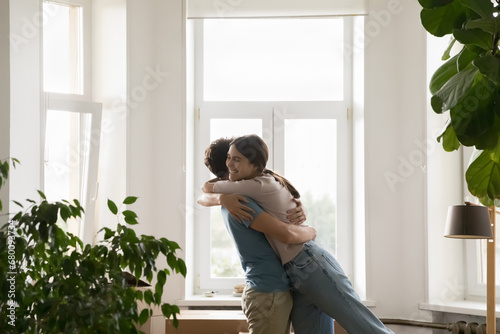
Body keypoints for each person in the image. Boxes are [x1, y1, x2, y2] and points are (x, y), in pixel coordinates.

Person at [201, 134, 394, 334]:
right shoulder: (242, 194)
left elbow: (287, 230)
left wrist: (309, 229)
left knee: (363, 325)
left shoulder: (252, 189)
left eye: (237, 158)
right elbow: (205, 193)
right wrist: (222, 197)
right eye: (229, 158)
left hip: (309, 261)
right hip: (294, 271)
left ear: (253, 164)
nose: (231, 163)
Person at [198, 138, 334, 334]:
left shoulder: (235, 198)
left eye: (238, 158)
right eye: (231, 158)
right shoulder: (241, 202)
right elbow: (285, 233)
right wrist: (311, 231)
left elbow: (204, 195)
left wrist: (300, 206)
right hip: (268, 290)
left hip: (267, 289)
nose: (235, 163)